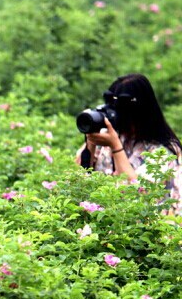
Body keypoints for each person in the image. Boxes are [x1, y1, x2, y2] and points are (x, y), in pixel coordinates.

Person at [75, 73, 181, 214]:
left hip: (151, 230)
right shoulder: (110, 137)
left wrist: (116, 147)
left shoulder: (163, 151)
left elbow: (138, 195)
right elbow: (76, 181)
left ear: (138, 112)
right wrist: (91, 141)